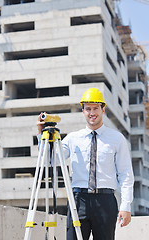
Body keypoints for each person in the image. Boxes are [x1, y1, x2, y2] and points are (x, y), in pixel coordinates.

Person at [37, 88, 134, 240]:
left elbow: (125, 174)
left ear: (103, 109)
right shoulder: (72, 138)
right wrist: (41, 134)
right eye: (88, 109)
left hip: (105, 201)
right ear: (83, 111)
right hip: (78, 200)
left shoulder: (117, 138)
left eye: (95, 108)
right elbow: (50, 160)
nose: (92, 113)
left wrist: (126, 205)